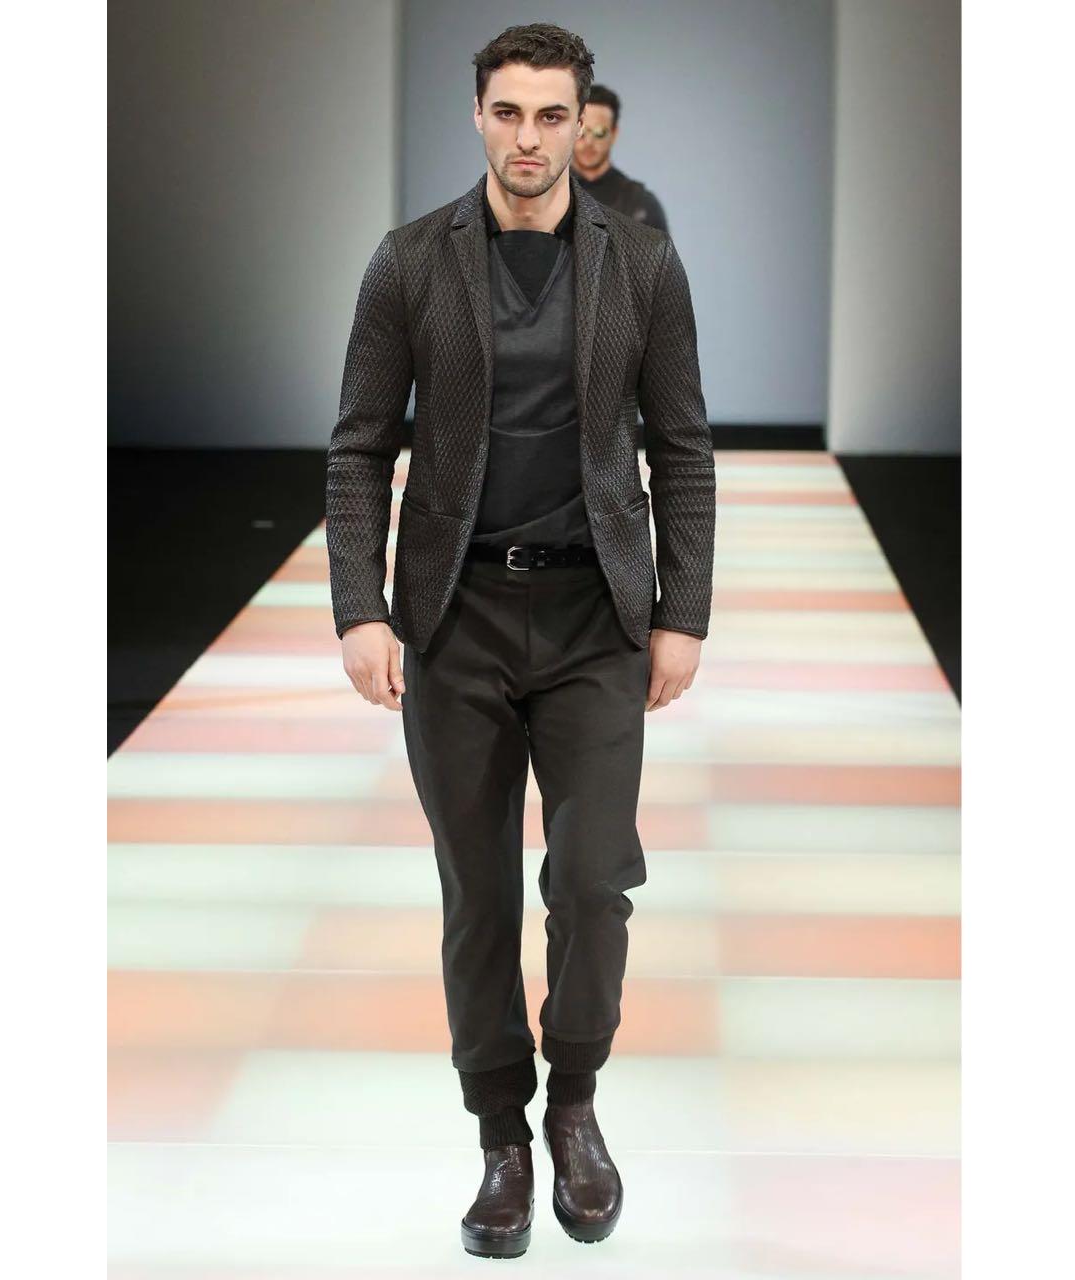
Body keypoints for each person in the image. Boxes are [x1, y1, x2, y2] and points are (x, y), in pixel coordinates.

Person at [325, 21, 715, 1260]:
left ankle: (577, 1102)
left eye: (553, 115)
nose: (531, 138)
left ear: (581, 120)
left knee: (594, 880)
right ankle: (501, 1132)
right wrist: (360, 605)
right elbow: (358, 446)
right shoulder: (410, 261)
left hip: (598, 616)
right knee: (479, 892)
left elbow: (683, 447)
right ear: (478, 115)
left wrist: (683, 612)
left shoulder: (642, 262)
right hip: (458, 617)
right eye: (510, 113)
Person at [571, 83, 670, 232]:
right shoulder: (548, 196)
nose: (589, 142)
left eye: (599, 132)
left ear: (614, 134)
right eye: (582, 131)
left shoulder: (640, 204)